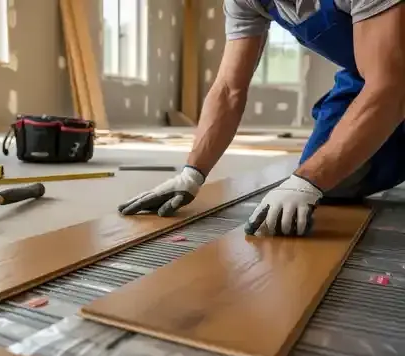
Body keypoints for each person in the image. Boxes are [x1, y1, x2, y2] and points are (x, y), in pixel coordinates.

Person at [118, 0, 405, 237]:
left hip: (391, 73)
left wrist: (306, 180)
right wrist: (192, 174)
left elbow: (390, 85)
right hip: (367, 74)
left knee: (318, 175)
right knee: (337, 182)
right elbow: (229, 89)